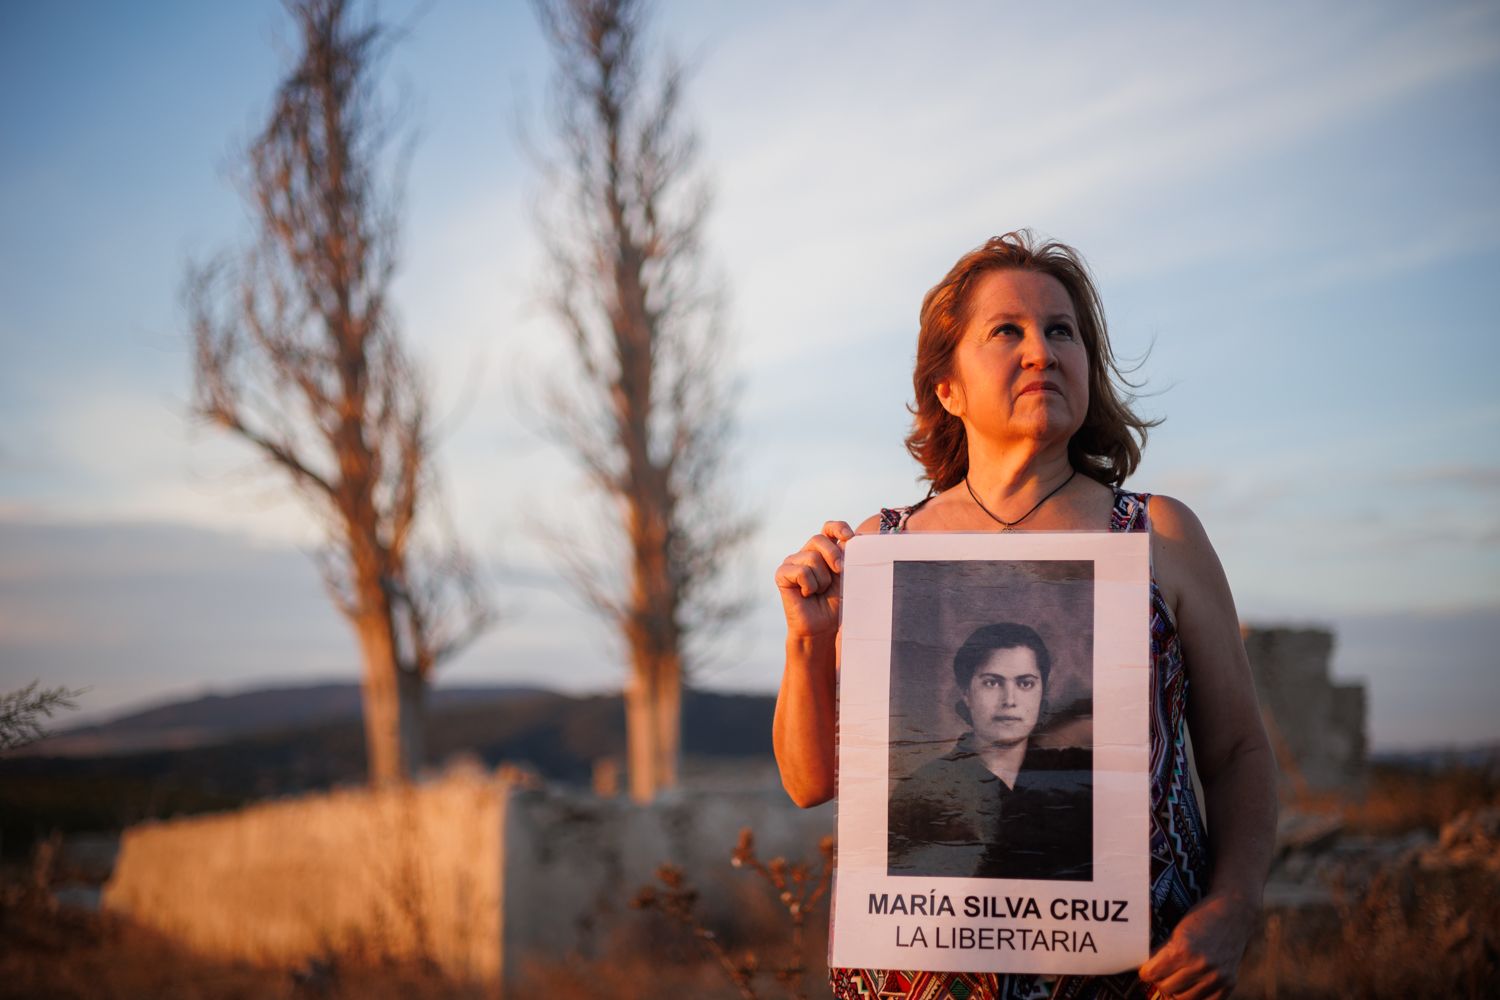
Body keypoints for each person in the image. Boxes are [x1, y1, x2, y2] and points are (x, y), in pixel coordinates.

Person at [772, 231, 1278, 1000]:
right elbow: (811, 783)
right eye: (1007, 330)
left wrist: (1234, 908)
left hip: (1134, 980)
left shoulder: (1159, 536)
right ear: (947, 388)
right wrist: (808, 642)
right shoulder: (883, 552)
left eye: (1062, 331)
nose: (1041, 350)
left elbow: (1239, 749)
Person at [888, 622, 1092, 881]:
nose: (1010, 700)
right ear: (966, 693)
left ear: (1042, 692)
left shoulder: (1074, 782)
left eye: (1026, 684)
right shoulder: (924, 790)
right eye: (992, 683)